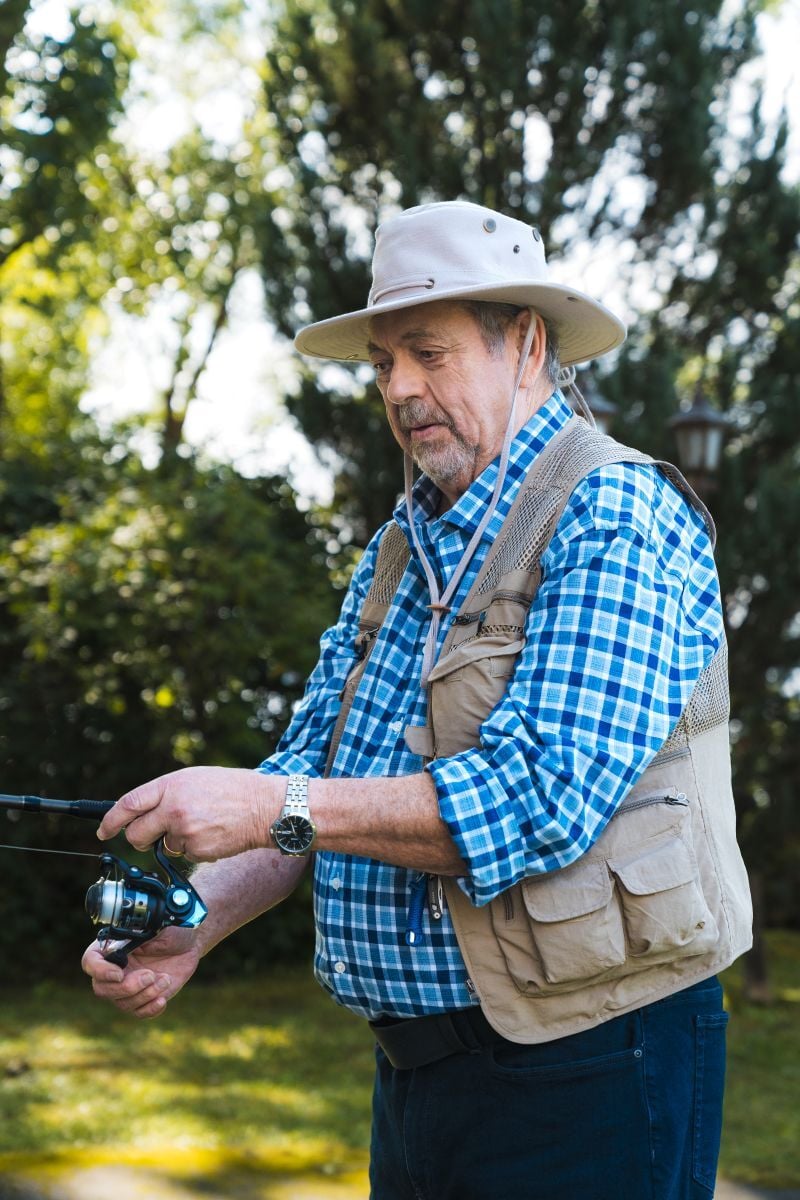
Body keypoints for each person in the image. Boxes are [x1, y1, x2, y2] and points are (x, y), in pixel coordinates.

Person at [83, 200, 752, 1200]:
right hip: (416, 1080)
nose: (398, 387)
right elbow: (309, 777)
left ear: (526, 346)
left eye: (428, 353)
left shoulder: (613, 509)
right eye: (383, 361)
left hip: (593, 1068)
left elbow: (536, 799)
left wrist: (269, 806)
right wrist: (198, 919)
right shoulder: (401, 544)